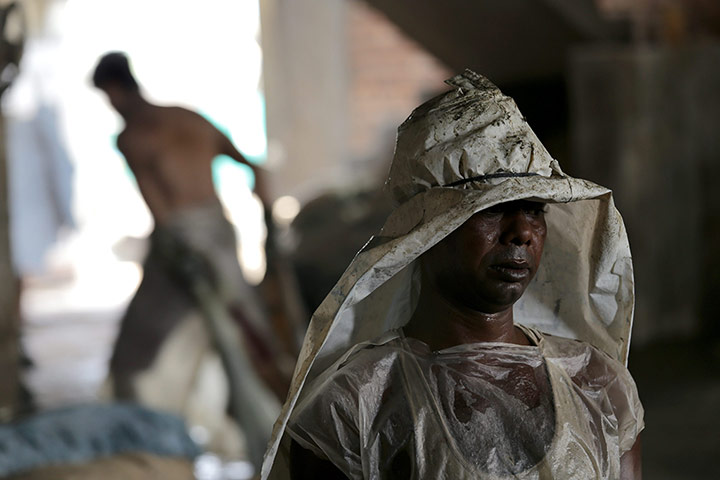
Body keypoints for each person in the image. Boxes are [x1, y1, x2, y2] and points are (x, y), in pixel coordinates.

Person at [261, 70, 644, 479]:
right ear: (428, 231)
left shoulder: (597, 386)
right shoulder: (355, 406)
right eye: (493, 209)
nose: (522, 232)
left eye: (535, 209)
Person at [92, 52, 280, 468]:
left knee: (142, 353)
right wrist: (265, 208)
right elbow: (255, 168)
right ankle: (265, 441)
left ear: (115, 90)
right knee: (245, 335)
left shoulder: (134, 136)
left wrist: (175, 251)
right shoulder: (190, 119)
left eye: (107, 96)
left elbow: (159, 209)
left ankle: (151, 444)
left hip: (183, 242)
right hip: (218, 235)